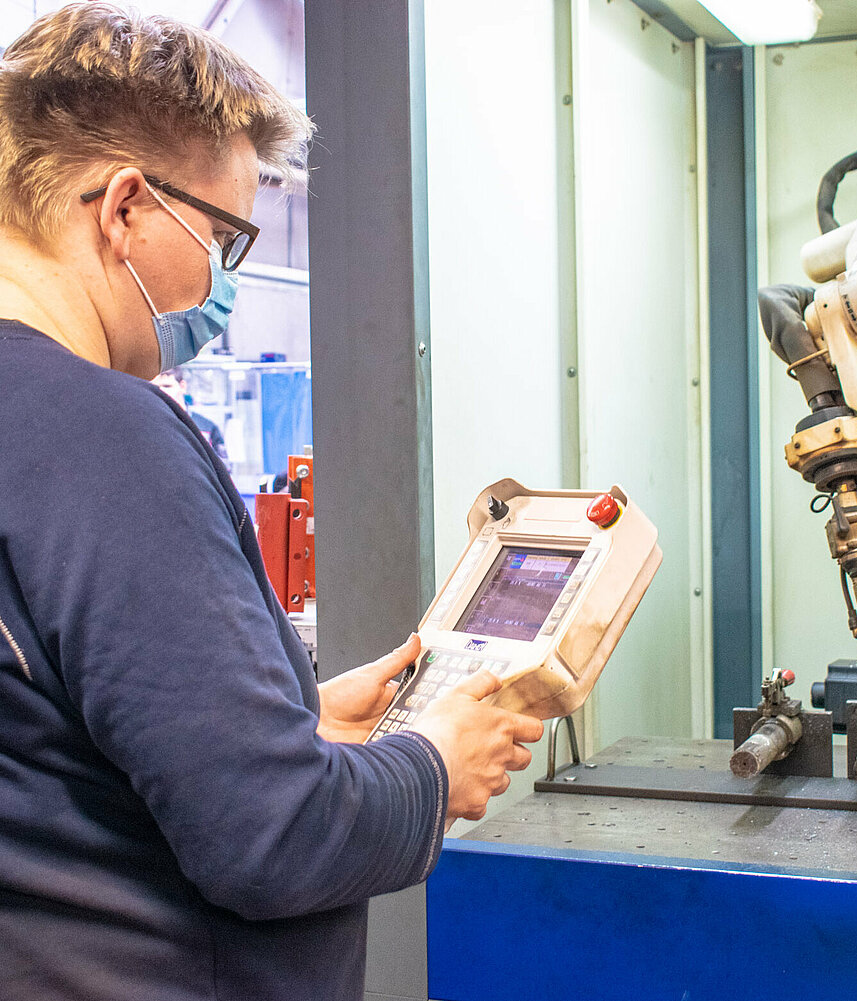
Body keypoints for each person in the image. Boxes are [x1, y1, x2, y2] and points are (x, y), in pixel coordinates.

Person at [0, 6, 543, 1000]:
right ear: (123, 207)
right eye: (223, 239)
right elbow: (274, 839)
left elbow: (48, 761)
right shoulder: (106, 435)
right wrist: (434, 764)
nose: (226, 283)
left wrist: (294, 719)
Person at [153, 367, 231, 466]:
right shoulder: (149, 425)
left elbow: (224, 468)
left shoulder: (206, 427)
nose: (162, 392)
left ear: (182, 386)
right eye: (156, 388)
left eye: (167, 386)